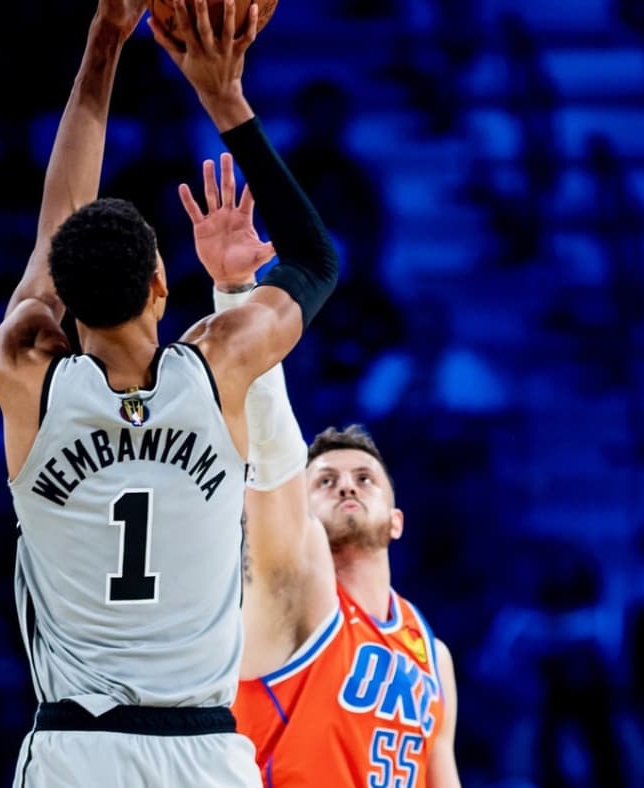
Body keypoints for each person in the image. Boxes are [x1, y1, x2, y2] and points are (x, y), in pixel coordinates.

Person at [0, 0, 339, 784]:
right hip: (203, 753)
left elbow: (54, 234)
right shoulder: (218, 368)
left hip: (75, 748)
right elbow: (314, 261)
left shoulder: (26, 374)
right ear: (161, 283)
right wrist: (225, 99)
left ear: (63, 305)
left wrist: (104, 38)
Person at [180, 171, 460, 785]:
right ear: (298, 513)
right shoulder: (295, 594)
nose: (346, 484)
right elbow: (275, 444)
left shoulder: (432, 654)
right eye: (325, 480)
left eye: (365, 477)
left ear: (396, 518)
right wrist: (236, 294)